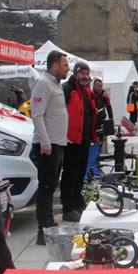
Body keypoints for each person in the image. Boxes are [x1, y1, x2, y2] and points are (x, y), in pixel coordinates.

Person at [30, 50, 70, 245]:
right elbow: (37, 114)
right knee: (46, 188)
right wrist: (45, 142)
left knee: (52, 186)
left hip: (58, 143)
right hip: (47, 146)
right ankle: (42, 229)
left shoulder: (55, 84)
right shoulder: (43, 84)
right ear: (54, 65)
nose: (67, 69)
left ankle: (50, 221)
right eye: (65, 65)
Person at [59, 61, 99, 223]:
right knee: (70, 174)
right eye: (82, 73)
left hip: (84, 138)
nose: (85, 77)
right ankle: (68, 208)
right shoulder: (67, 89)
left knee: (80, 173)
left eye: (87, 74)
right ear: (76, 73)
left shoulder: (86, 92)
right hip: (71, 140)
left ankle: (77, 202)